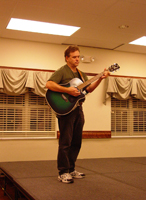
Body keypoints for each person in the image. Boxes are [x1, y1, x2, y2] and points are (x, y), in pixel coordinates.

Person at [46, 45, 110, 184]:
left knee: (76, 142)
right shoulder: (62, 71)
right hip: (66, 111)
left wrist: (100, 78)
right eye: (74, 57)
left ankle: (71, 169)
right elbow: (49, 84)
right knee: (65, 142)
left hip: (78, 109)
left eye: (78, 57)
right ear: (67, 58)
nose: (77, 59)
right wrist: (67, 90)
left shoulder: (81, 74)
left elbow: (89, 89)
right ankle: (63, 172)